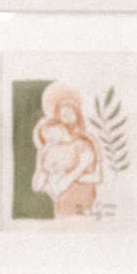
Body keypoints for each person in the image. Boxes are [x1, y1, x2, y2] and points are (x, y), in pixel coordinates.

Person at [31, 83, 104, 218]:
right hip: (63, 206)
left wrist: (65, 180)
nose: (66, 116)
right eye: (62, 113)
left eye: (70, 112)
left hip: (86, 203)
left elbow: (98, 176)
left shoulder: (89, 140)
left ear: (78, 114)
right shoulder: (50, 147)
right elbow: (39, 184)